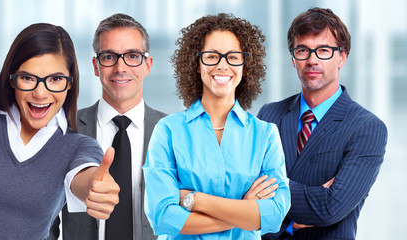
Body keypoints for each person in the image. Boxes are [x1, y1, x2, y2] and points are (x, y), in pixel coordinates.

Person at [0, 23, 120, 239]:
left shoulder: (78, 147)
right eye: (28, 78)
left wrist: (95, 188)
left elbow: (85, 177)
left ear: (70, 84)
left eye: (55, 79)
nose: (41, 93)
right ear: (12, 78)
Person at [143, 13, 290, 239]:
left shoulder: (265, 135)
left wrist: (195, 200)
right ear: (197, 62)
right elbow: (163, 217)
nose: (222, 66)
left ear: (245, 64)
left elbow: (274, 215)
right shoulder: (168, 131)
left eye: (232, 57)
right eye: (212, 56)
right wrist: (244, 209)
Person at [258, 7, 388, 240]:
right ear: (292, 58)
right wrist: (292, 220)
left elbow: (330, 208)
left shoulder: (367, 127)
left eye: (323, 51)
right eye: (302, 50)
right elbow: (242, 190)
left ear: (342, 57)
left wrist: (267, 196)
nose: (312, 60)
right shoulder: (269, 115)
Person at [48, 14, 166, 240]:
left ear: (147, 65)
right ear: (96, 65)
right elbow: (46, 222)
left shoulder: (172, 133)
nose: (120, 67)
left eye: (132, 56)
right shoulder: (65, 130)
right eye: (109, 56)